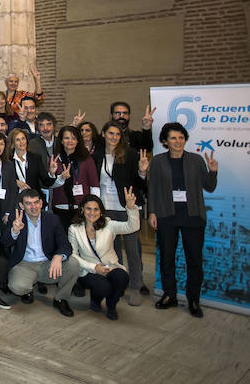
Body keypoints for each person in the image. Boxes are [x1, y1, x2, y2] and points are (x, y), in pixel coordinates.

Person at [147, 122, 218, 318]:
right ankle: (170, 295)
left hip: (192, 216)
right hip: (166, 216)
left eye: (180, 137)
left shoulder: (196, 160)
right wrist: (152, 212)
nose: (177, 141)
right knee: (167, 258)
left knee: (194, 260)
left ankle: (193, 299)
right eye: (173, 138)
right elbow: (152, 188)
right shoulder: (159, 161)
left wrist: (212, 171)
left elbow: (209, 187)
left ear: (185, 139)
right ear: (165, 141)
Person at [94, 121, 150, 304]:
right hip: (105, 209)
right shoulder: (97, 155)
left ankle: (135, 287)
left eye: (117, 134)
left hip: (126, 209)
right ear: (103, 134)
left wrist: (142, 172)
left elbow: (140, 184)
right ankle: (117, 284)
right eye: (110, 133)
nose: (114, 137)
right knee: (112, 251)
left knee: (133, 250)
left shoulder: (130, 154)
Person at [2, 189, 79, 317]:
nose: (33, 207)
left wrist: (58, 256)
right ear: (22, 206)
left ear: (41, 203)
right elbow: (4, 243)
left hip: (47, 263)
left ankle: (60, 298)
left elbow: (65, 244)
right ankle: (28, 290)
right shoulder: (16, 220)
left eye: (36, 202)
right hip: (24, 264)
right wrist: (14, 231)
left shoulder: (52, 219)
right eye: (28, 203)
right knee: (17, 287)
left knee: (73, 264)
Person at [68, 192, 139, 320]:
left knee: (122, 277)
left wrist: (131, 208)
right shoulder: (74, 228)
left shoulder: (108, 224)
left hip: (110, 265)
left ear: (101, 211)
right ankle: (95, 300)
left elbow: (132, 227)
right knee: (103, 287)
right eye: (88, 208)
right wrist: (94, 267)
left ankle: (111, 304)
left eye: (96, 209)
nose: (92, 212)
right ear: (82, 209)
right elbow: (73, 254)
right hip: (88, 269)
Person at [50, 125, 100, 229]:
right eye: (66, 138)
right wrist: (60, 178)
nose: (70, 141)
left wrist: (96, 208)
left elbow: (94, 185)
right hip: (60, 207)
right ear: (61, 141)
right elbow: (49, 185)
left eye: (73, 138)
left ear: (78, 141)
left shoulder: (86, 159)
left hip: (82, 209)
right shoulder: (55, 160)